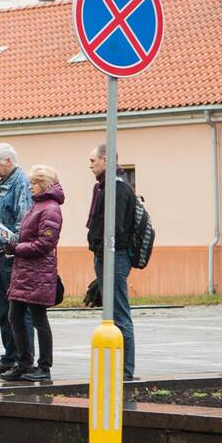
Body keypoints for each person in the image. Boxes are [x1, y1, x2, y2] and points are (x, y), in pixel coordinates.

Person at [2, 165, 65, 383]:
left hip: (39, 274)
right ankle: (23, 362)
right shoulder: (37, 206)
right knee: (15, 316)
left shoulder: (50, 209)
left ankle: (44, 367)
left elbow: (45, 243)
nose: (30, 187)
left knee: (39, 319)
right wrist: (13, 242)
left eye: (33, 184)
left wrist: (16, 248)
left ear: (44, 184)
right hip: (25, 272)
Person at [0, 144, 34, 376]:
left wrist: (10, 246)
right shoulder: (3, 184)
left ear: (8, 161)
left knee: (18, 311)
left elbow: (23, 221)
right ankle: (9, 355)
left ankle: (24, 359)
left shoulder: (20, 183)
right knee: (4, 311)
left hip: (9, 256)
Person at [87, 144, 137, 381]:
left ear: (105, 160)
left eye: (92, 161)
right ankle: (115, 367)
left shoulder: (116, 188)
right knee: (111, 314)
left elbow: (113, 229)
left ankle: (125, 371)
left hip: (114, 256)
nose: (90, 165)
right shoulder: (106, 186)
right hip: (106, 256)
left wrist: (103, 257)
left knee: (118, 313)